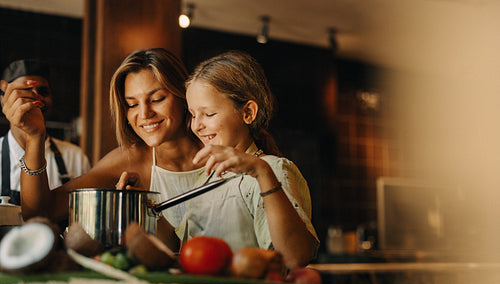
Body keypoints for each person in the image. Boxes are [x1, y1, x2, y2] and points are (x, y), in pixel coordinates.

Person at [1, 49, 203, 250]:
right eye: (131, 104)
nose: (144, 113)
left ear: (184, 96)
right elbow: (40, 212)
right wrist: (35, 137)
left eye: (157, 99)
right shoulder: (128, 160)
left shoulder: (219, 149)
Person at [182, 50, 319, 268]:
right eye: (192, 114)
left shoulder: (273, 169)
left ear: (248, 112)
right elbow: (180, 250)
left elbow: (294, 258)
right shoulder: (205, 178)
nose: (196, 125)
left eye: (208, 114)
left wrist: (261, 171)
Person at [0, 59, 91, 207]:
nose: (35, 96)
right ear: (4, 101)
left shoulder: (75, 158)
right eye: (25, 91)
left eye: (43, 92)